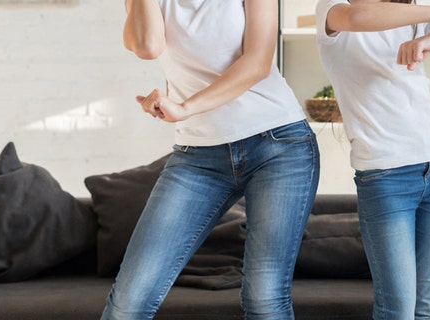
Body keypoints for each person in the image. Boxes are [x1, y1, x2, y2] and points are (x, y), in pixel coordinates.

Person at [101, 1, 320, 319]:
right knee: (129, 301)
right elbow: (147, 46)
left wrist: (186, 107)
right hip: (197, 155)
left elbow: (257, 62)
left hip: (278, 146)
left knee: (264, 298)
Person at [315, 1, 430, 319]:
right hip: (384, 174)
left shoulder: (412, 19)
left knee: (424, 305)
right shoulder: (333, 9)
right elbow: (359, 16)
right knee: (397, 309)